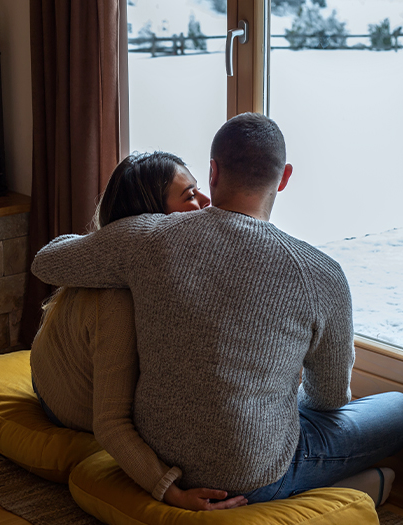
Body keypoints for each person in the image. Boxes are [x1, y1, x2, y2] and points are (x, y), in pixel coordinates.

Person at [31, 113, 403, 505]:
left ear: (213, 172)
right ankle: (329, 490)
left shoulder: (145, 237)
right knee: (400, 409)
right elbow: (330, 400)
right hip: (253, 476)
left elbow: (47, 262)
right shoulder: (322, 274)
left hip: (156, 450)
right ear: (283, 178)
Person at [31, 152, 246, 511]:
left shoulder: (161, 264)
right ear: (150, 222)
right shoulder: (117, 303)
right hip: (64, 398)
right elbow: (110, 423)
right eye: (191, 196)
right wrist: (170, 491)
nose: (207, 202)